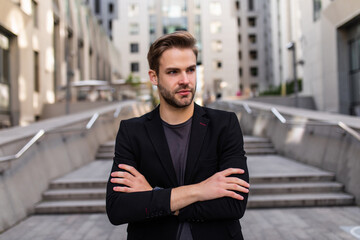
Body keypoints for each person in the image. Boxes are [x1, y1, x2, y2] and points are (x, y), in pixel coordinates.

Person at [106, 31, 250, 240]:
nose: (185, 80)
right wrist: (201, 190)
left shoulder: (224, 125)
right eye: (173, 72)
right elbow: (118, 209)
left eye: (190, 70)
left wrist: (154, 195)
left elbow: (234, 204)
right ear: (154, 77)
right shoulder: (132, 132)